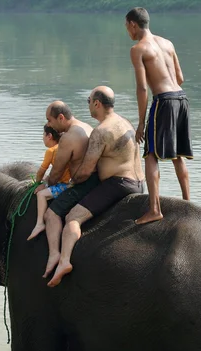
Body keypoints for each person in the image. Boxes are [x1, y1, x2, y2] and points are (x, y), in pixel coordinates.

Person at [46, 86, 145, 288]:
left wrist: (69, 184)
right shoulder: (124, 121)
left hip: (118, 184)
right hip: (139, 183)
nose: (88, 105)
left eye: (88, 101)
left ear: (97, 103)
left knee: (73, 216)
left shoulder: (101, 131)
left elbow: (85, 171)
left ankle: (64, 261)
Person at [125, 7, 193, 225]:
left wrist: (140, 124)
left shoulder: (138, 49)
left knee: (151, 154)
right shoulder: (167, 43)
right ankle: (188, 203)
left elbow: (142, 89)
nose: (128, 31)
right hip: (181, 99)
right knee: (177, 154)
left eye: (127, 27)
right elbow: (180, 77)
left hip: (163, 101)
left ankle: (154, 209)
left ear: (133, 24)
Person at [38, 101, 98, 279]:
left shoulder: (68, 137)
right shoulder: (87, 126)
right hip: (98, 179)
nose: (49, 125)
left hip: (84, 184)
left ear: (61, 118)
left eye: (50, 120)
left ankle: (54, 254)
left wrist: (44, 185)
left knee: (52, 214)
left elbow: (55, 174)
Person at [27, 125, 72, 241]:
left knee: (41, 195)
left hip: (64, 185)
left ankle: (39, 223)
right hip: (71, 182)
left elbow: (42, 170)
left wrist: (37, 183)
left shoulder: (51, 151)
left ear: (49, 136)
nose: (42, 138)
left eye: (43, 135)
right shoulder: (64, 147)